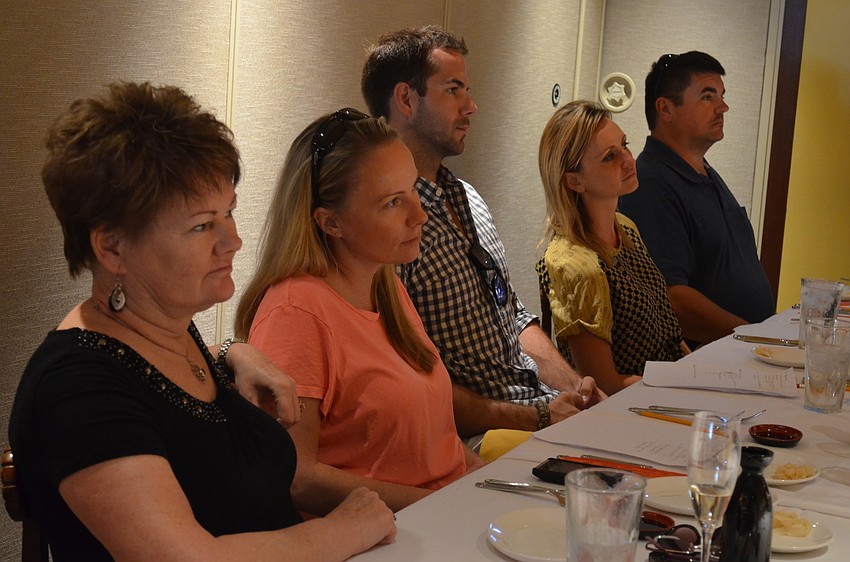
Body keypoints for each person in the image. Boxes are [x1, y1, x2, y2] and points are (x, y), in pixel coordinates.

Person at [8, 82, 395, 561]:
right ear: (112, 247)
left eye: (228, 213)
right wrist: (342, 530)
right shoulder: (75, 391)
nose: (232, 241)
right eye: (201, 225)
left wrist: (234, 352)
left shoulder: (167, 332)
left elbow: (161, 404)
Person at [361, 25, 605, 440]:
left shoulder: (468, 198)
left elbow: (514, 317)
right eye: (453, 90)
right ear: (406, 99)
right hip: (481, 435)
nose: (471, 106)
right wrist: (536, 417)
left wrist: (576, 389)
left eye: (467, 91)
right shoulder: (384, 225)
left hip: (538, 410)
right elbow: (406, 379)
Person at [235, 110, 483, 513]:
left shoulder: (386, 285)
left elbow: (435, 446)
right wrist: (444, 506)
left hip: (436, 514)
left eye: (413, 190)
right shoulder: (296, 312)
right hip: (387, 530)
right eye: (392, 203)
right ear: (331, 222)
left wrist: (481, 481)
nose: (419, 215)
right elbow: (298, 478)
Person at [619, 51, 775, 346]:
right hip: (702, 361)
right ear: (665, 109)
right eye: (707, 97)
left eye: (721, 96)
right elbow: (671, 298)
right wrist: (755, 340)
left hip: (742, 352)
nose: (723, 107)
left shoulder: (704, 172)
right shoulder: (651, 183)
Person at [536, 100, 687, 396]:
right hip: (631, 406)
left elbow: (669, 333)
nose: (629, 160)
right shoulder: (577, 265)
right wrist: (684, 388)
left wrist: (699, 375)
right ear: (574, 181)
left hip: (667, 387)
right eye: (609, 157)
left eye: (624, 145)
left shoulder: (625, 228)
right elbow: (603, 384)